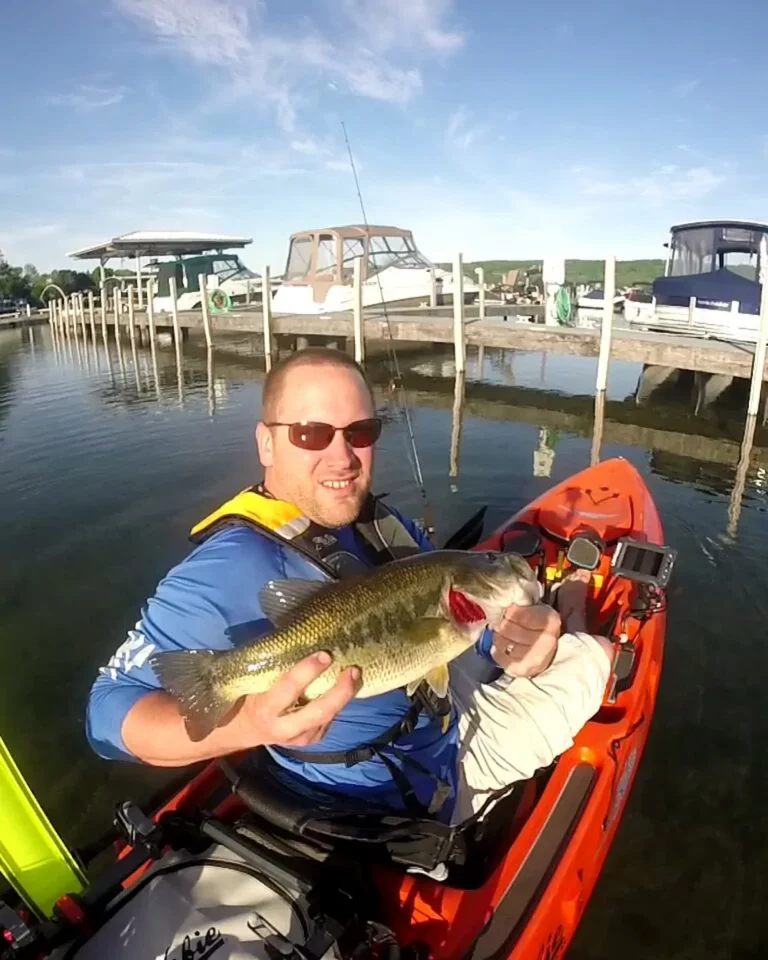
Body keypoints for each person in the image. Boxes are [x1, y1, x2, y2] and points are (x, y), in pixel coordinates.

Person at [86, 349, 613, 825]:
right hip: (412, 783)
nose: (343, 457)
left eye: (360, 431)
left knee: (536, 635)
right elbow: (105, 712)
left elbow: (447, 627)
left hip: (435, 695)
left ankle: (554, 616)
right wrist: (250, 724)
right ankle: (574, 606)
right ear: (266, 442)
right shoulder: (229, 565)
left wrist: (519, 640)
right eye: (312, 433)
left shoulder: (374, 519)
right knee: (596, 658)